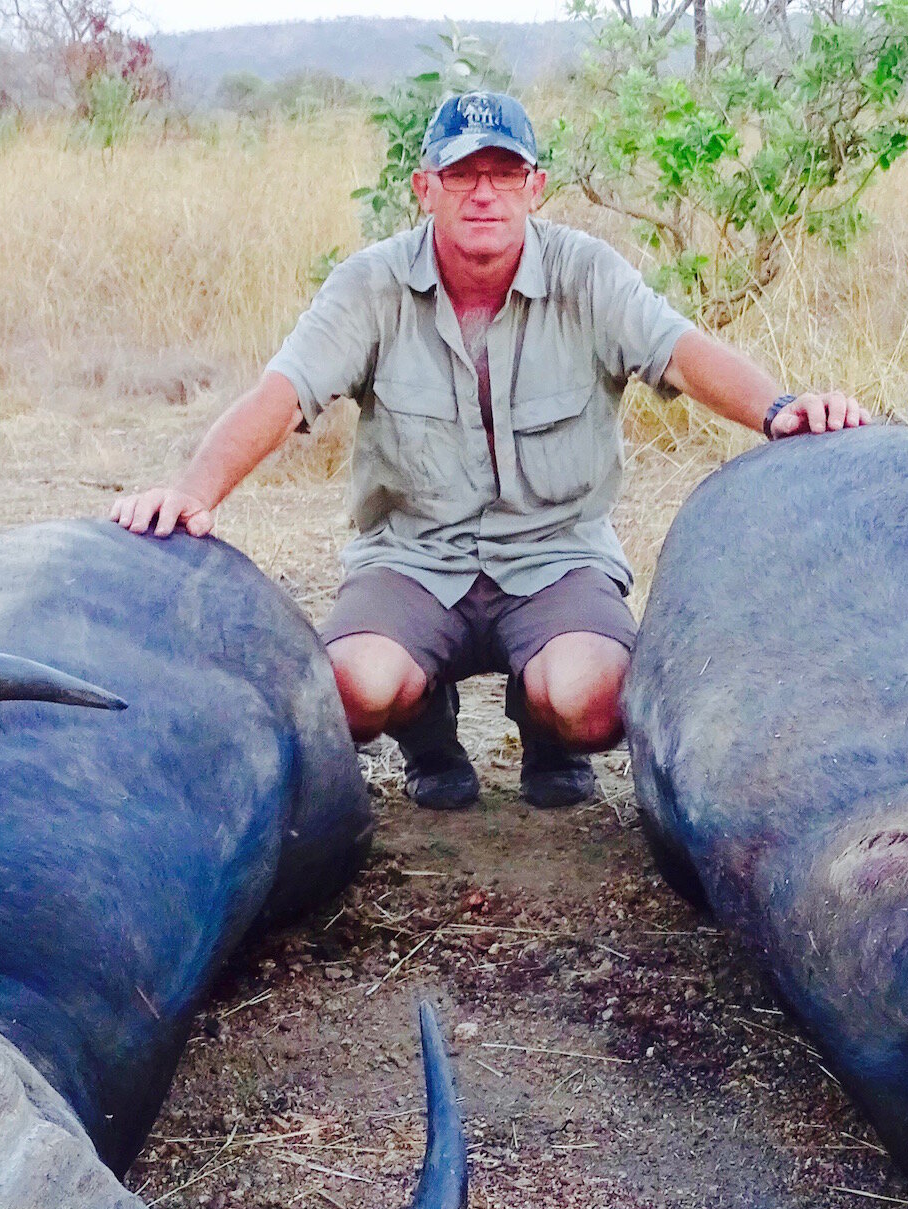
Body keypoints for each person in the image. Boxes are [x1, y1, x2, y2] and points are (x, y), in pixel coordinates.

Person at [113, 90, 868, 809]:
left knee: (597, 701)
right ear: (424, 187)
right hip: (411, 557)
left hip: (555, 553)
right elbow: (282, 394)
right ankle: (428, 737)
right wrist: (194, 492)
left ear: (535, 186)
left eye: (504, 173)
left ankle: (549, 739)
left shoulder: (587, 271)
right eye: (462, 173)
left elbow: (681, 352)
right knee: (348, 691)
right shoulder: (369, 285)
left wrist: (779, 410)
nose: (484, 193)